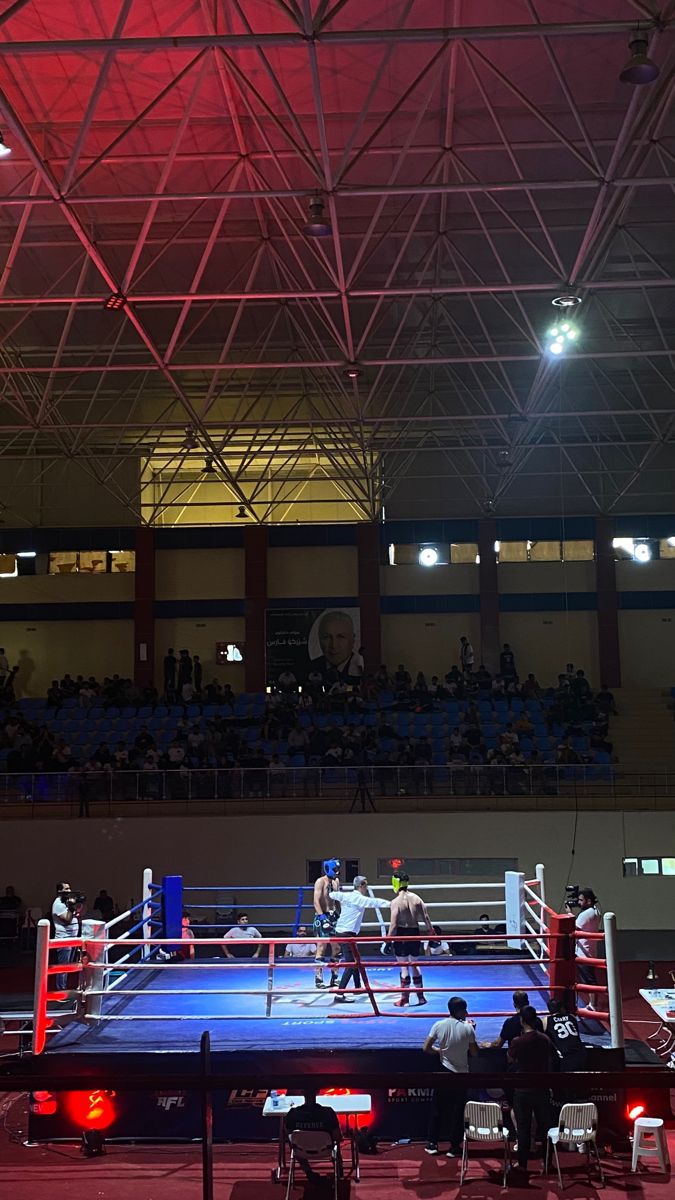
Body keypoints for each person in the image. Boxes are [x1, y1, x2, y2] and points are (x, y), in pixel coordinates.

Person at [423, 995, 478, 1157]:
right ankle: (454, 1146)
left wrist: (439, 1052)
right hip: (461, 1075)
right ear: (460, 1011)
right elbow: (474, 1053)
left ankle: (432, 1142)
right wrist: (471, 1034)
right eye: (465, 1010)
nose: (467, 1013)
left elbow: (426, 1048)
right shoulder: (468, 1028)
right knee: (458, 1110)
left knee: (438, 1108)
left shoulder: (438, 1025)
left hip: (443, 1071)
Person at [330, 875, 390, 1002]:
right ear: (361, 885)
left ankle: (357, 987)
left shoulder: (345, 896)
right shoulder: (359, 899)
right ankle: (339, 994)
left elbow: (333, 895)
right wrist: (392, 904)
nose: (367, 888)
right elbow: (374, 902)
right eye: (366, 885)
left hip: (342, 932)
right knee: (351, 964)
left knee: (356, 960)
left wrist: (331, 890)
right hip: (346, 934)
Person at [508, 1004, 553, 1174]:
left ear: (521, 1021)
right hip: (541, 1088)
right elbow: (549, 1059)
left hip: (523, 1090)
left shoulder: (517, 1041)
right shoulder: (544, 1039)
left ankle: (523, 1165)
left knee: (523, 1128)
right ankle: (548, 1164)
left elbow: (509, 1059)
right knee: (545, 1127)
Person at [388, 872, 433, 1007]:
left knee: (404, 967)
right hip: (415, 932)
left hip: (401, 934)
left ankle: (405, 999)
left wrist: (387, 940)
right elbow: (426, 918)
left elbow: (394, 923)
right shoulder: (417, 898)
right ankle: (421, 997)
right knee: (414, 964)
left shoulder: (395, 902)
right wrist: (431, 933)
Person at [284, 1085, 342, 1184]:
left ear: (302, 1092)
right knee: (336, 1144)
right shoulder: (328, 1113)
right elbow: (338, 1137)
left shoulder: (293, 1114)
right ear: (318, 1091)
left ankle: (308, 1172)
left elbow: (288, 1136)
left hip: (301, 1151)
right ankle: (339, 1172)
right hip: (326, 1150)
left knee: (294, 1145)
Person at [568, 886, 602, 1010]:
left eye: (581, 900)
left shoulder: (585, 914)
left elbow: (572, 927)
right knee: (589, 979)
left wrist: (570, 914)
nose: (579, 903)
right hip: (590, 950)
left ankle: (593, 1005)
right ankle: (593, 1004)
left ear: (588, 901)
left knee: (589, 980)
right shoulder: (596, 911)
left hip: (584, 952)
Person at [313, 858, 342, 990]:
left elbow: (337, 901)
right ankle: (318, 979)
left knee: (337, 948)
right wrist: (322, 917)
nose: (337, 872)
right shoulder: (320, 881)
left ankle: (335, 977)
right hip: (322, 915)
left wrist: (341, 916)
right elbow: (316, 901)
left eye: (337, 869)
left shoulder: (336, 882)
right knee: (321, 947)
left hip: (334, 916)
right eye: (335, 869)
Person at [51, 882, 83, 992]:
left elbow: (77, 915)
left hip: (72, 938)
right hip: (63, 939)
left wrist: (77, 906)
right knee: (63, 966)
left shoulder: (65, 903)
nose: (69, 891)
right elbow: (67, 919)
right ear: (60, 891)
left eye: (70, 888)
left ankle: (64, 988)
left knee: (69, 965)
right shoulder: (58, 904)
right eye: (66, 889)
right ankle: (61, 990)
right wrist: (71, 906)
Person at [311, 610, 361, 680]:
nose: (334, 645)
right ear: (319, 639)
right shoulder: (308, 668)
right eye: (327, 637)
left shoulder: (360, 666)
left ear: (353, 640)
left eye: (341, 637)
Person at [545, 998, 587, 1072]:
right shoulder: (572, 1017)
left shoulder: (547, 1020)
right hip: (580, 1054)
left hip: (565, 1056)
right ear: (562, 1008)